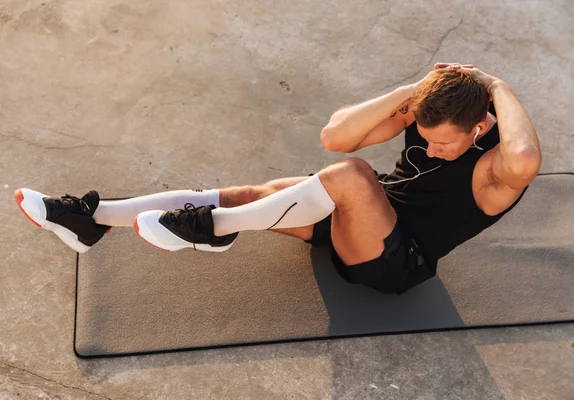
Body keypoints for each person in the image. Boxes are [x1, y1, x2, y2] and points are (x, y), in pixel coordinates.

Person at [14, 62, 542, 294]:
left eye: (443, 143)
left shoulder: (498, 168)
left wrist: (495, 83)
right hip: (356, 218)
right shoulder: (437, 117)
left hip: (392, 261)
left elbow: (526, 158)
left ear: (480, 124)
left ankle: (213, 229)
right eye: (424, 135)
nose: (428, 148)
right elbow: (335, 134)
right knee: (261, 192)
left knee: (353, 176)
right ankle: (92, 220)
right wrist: (416, 87)